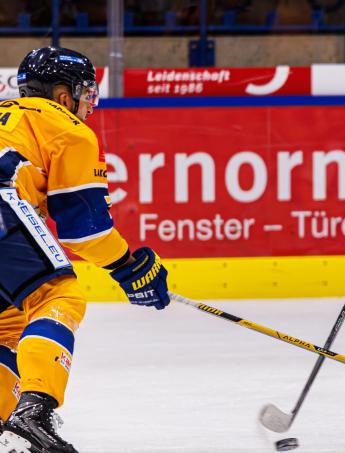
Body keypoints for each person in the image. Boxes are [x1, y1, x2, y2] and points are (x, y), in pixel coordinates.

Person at [0, 47, 170, 453]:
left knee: (7, 324)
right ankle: (33, 412)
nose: (87, 105)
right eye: (85, 94)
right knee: (59, 295)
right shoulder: (66, 127)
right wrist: (130, 267)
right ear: (62, 95)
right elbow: (84, 231)